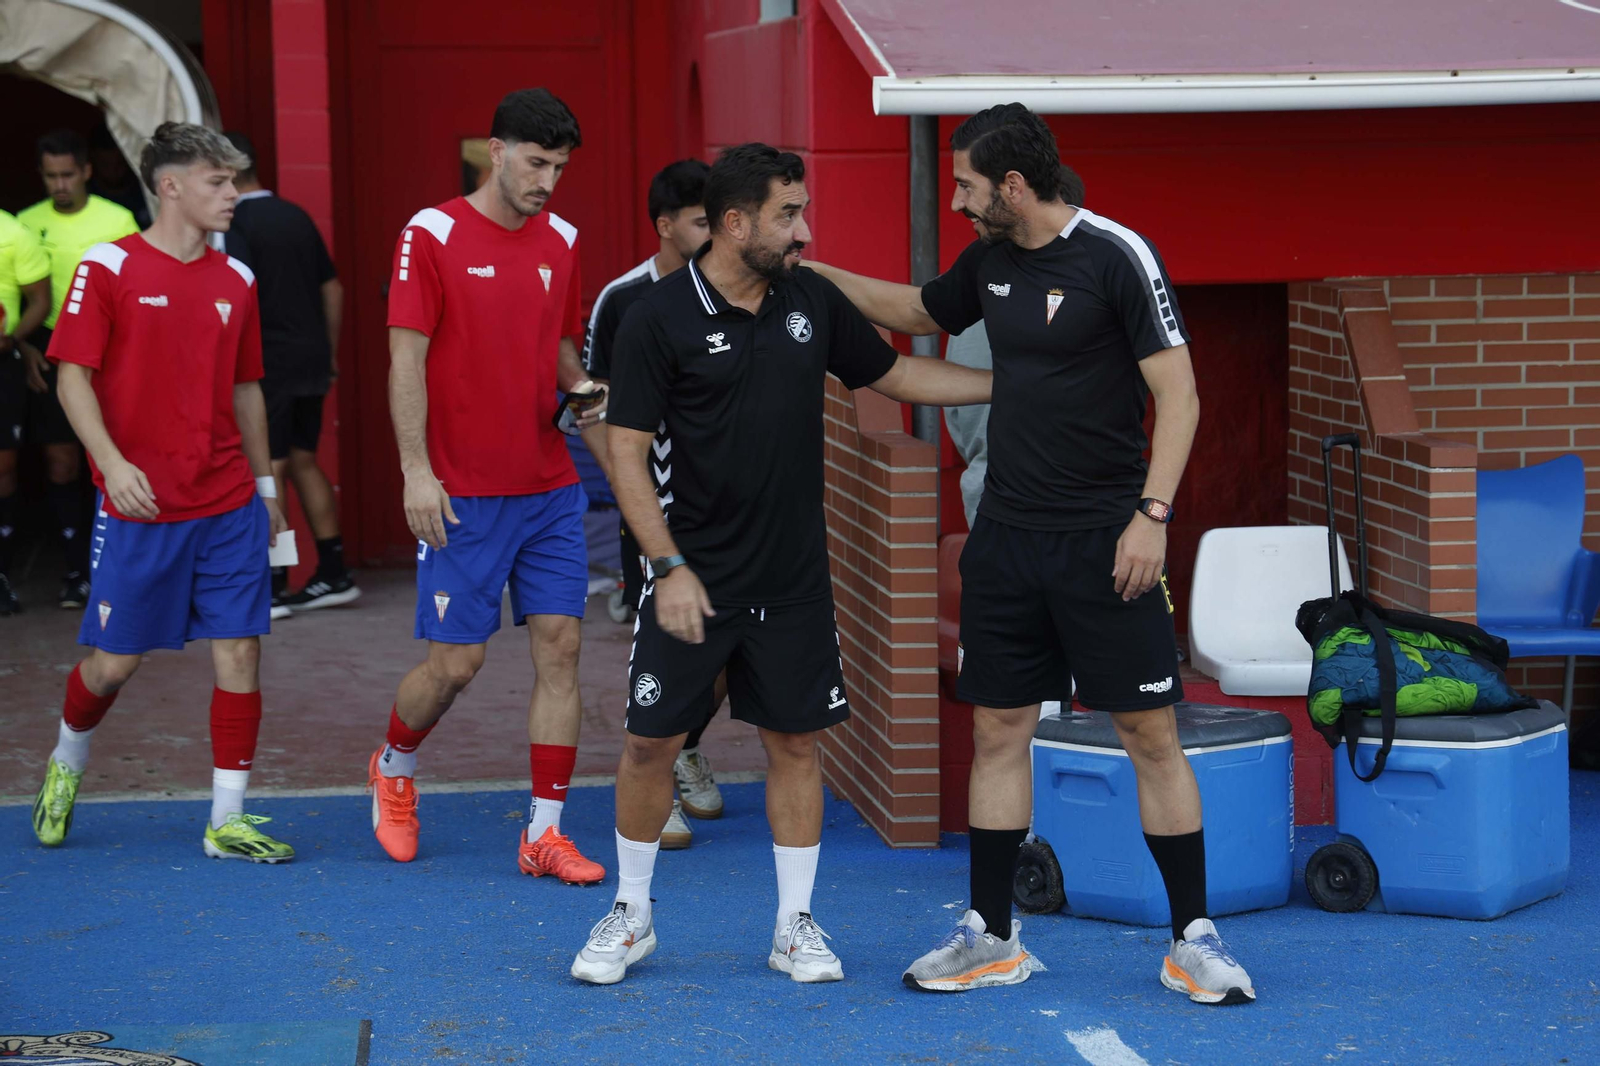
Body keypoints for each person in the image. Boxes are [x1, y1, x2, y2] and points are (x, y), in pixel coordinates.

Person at [809, 103, 1254, 1004]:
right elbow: (913, 310)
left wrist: (1152, 515)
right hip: (1006, 543)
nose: (961, 201)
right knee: (999, 731)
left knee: (1151, 736)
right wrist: (814, 274)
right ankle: (992, 937)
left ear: (1013, 184)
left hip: (1108, 542)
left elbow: (1182, 396)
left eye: (968, 185)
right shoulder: (990, 262)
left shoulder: (1116, 254)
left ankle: (1193, 940)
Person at [569, 142, 991, 986]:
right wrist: (668, 565)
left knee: (796, 746)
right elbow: (624, 448)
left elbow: (898, 372)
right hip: (691, 576)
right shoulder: (657, 317)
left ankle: (794, 925)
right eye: (788, 214)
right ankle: (632, 911)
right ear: (735, 224)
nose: (805, 230)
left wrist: (1011, 385)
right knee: (650, 745)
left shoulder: (811, 300)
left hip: (796, 581)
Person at [29, 122, 294, 863]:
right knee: (114, 663)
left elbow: (247, 388)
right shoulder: (106, 267)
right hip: (140, 506)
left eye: (235, 180)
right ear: (170, 186)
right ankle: (66, 760)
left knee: (240, 650)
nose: (234, 195)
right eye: (219, 182)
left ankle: (226, 819)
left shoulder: (235, 278)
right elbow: (71, 375)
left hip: (227, 501)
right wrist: (112, 465)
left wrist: (266, 484)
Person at [366, 88, 608, 885]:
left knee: (562, 649)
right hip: (460, 492)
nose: (548, 181)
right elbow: (405, 359)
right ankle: (394, 766)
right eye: (535, 163)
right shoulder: (429, 235)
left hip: (547, 486)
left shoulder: (564, 238)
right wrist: (414, 471)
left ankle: (544, 831)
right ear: (495, 151)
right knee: (456, 665)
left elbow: (560, 344)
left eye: (560, 167)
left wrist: (582, 387)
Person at [582, 158, 723, 849]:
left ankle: (688, 746)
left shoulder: (739, 288)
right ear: (666, 225)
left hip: (730, 514)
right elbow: (595, 410)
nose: (714, 233)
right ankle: (657, 779)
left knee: (723, 652)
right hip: (656, 513)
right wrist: (636, 502)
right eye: (701, 221)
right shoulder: (623, 300)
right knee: (664, 655)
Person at [221, 130, 357, 619]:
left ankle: (274, 586)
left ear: (230, 170)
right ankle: (333, 572)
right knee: (301, 459)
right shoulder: (295, 216)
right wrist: (329, 351)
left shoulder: (234, 223)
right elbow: (334, 288)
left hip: (270, 364)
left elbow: (238, 299)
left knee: (271, 466)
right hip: (310, 358)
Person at [18, 129, 140, 610]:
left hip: (112, 346)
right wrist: (25, 344)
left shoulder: (119, 219)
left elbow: (136, 291)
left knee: (114, 456)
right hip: (50, 345)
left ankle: (116, 570)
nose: (60, 185)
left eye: (68, 174)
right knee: (62, 460)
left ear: (87, 171)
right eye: (51, 177)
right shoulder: (26, 223)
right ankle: (76, 570)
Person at [0, 209, 51, 615]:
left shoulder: (15, 232)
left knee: (3, 467)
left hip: (2, 362)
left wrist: (14, 340)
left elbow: (40, 301)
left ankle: (1, 575)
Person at [87, 122, 153, 230]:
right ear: (93, 161)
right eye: (105, 165)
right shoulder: (85, 196)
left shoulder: (145, 191)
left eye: (118, 164)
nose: (113, 171)